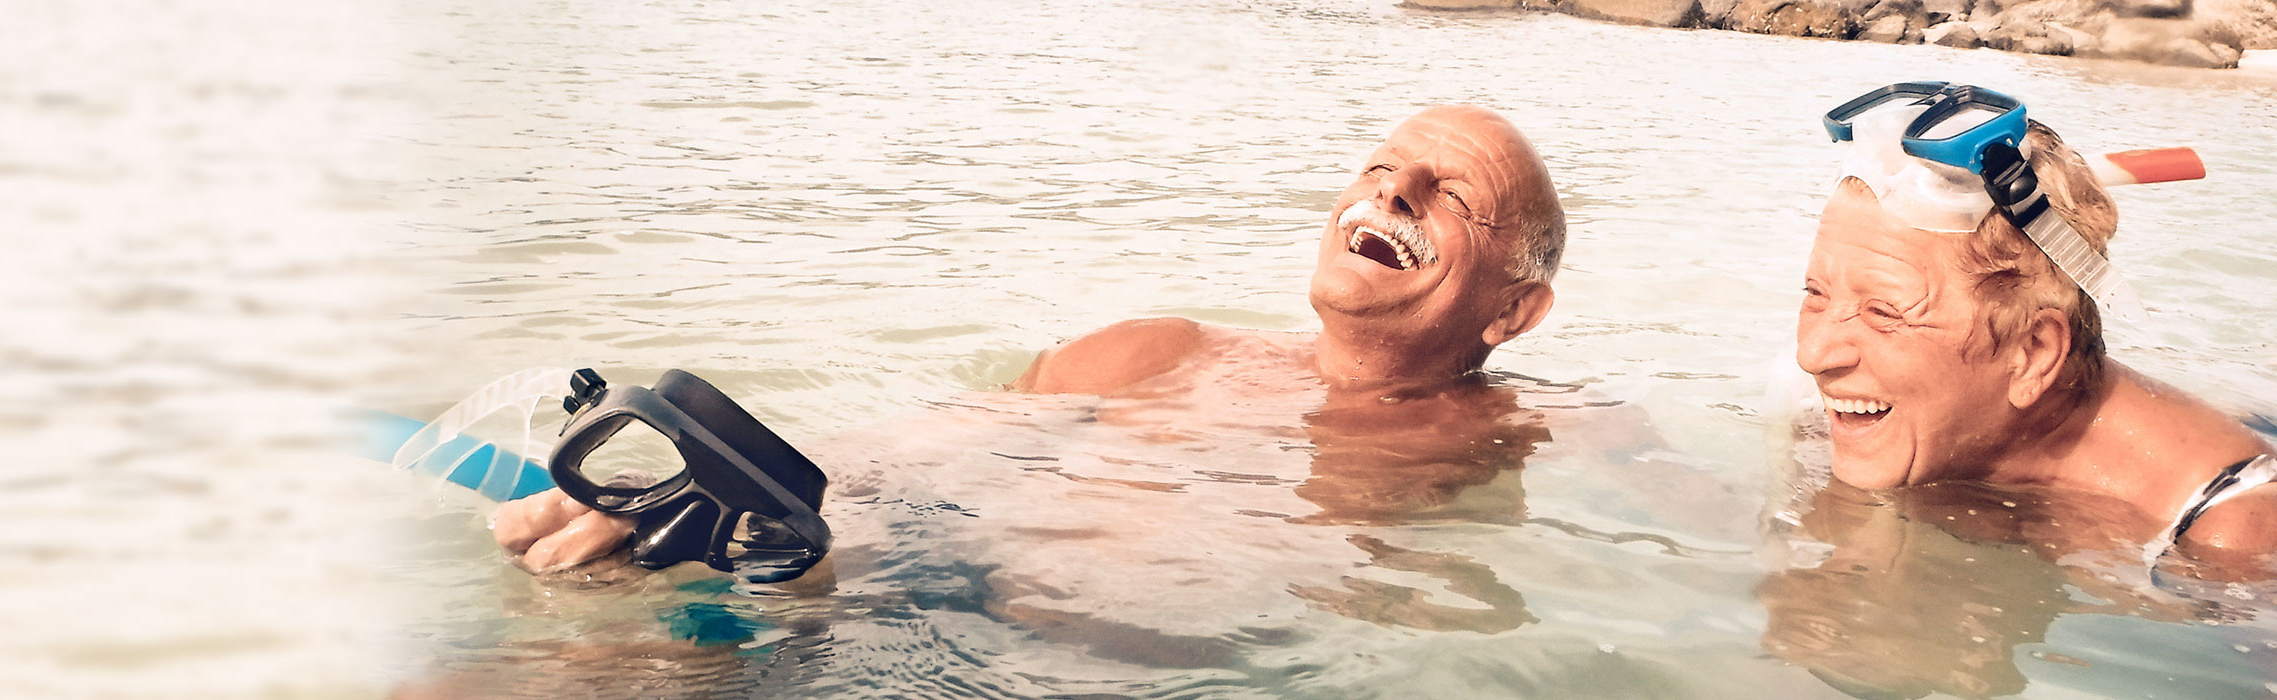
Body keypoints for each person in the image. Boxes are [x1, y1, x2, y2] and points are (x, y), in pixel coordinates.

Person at [492, 104, 1573, 574]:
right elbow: (919, 447)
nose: (1394, 188)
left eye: (1450, 194)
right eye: (1380, 165)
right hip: (859, 580)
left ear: (1510, 312)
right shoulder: (1155, 350)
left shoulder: (1526, 433)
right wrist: (720, 493)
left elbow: (1724, 537)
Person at [1791, 83, 2277, 579]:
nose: (1814, 355)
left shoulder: (2238, 539)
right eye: (1816, 294)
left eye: (1884, 313)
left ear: (2032, 352)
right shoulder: (1897, 426)